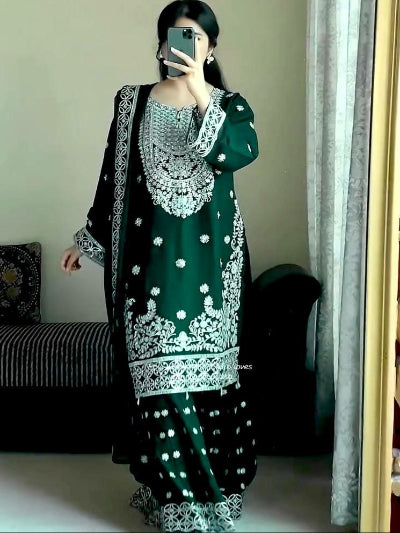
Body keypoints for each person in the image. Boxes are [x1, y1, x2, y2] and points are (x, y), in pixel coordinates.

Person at [60, 1, 259, 531]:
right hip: (148, 271)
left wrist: (199, 89)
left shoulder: (230, 107)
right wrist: (89, 238)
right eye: (175, 36)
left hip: (212, 270)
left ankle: (211, 499)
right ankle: (181, 506)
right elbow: (113, 178)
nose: (184, 46)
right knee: (160, 383)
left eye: (196, 38)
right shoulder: (132, 103)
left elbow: (239, 152)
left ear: (211, 48)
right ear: (160, 43)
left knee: (206, 385)